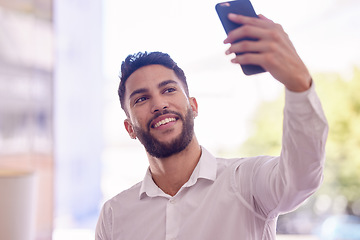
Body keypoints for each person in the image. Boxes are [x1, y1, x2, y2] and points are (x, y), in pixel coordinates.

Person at [96, 13, 328, 240]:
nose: (159, 104)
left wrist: (298, 84)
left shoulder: (246, 182)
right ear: (129, 128)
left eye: (168, 90)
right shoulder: (114, 216)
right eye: (141, 99)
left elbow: (300, 179)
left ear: (193, 106)